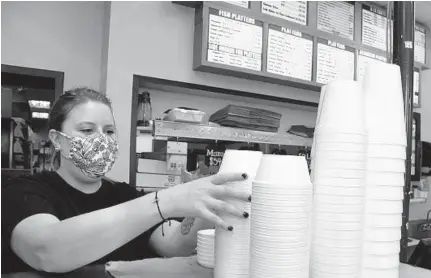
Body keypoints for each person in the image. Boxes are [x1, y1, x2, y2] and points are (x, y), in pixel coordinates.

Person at [1, 87, 251, 274]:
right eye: (87, 130)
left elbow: (174, 246)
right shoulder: (24, 191)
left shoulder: (124, 195)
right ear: (57, 139)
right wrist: (164, 201)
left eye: (109, 131)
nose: (102, 140)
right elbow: (44, 250)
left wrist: (210, 201)